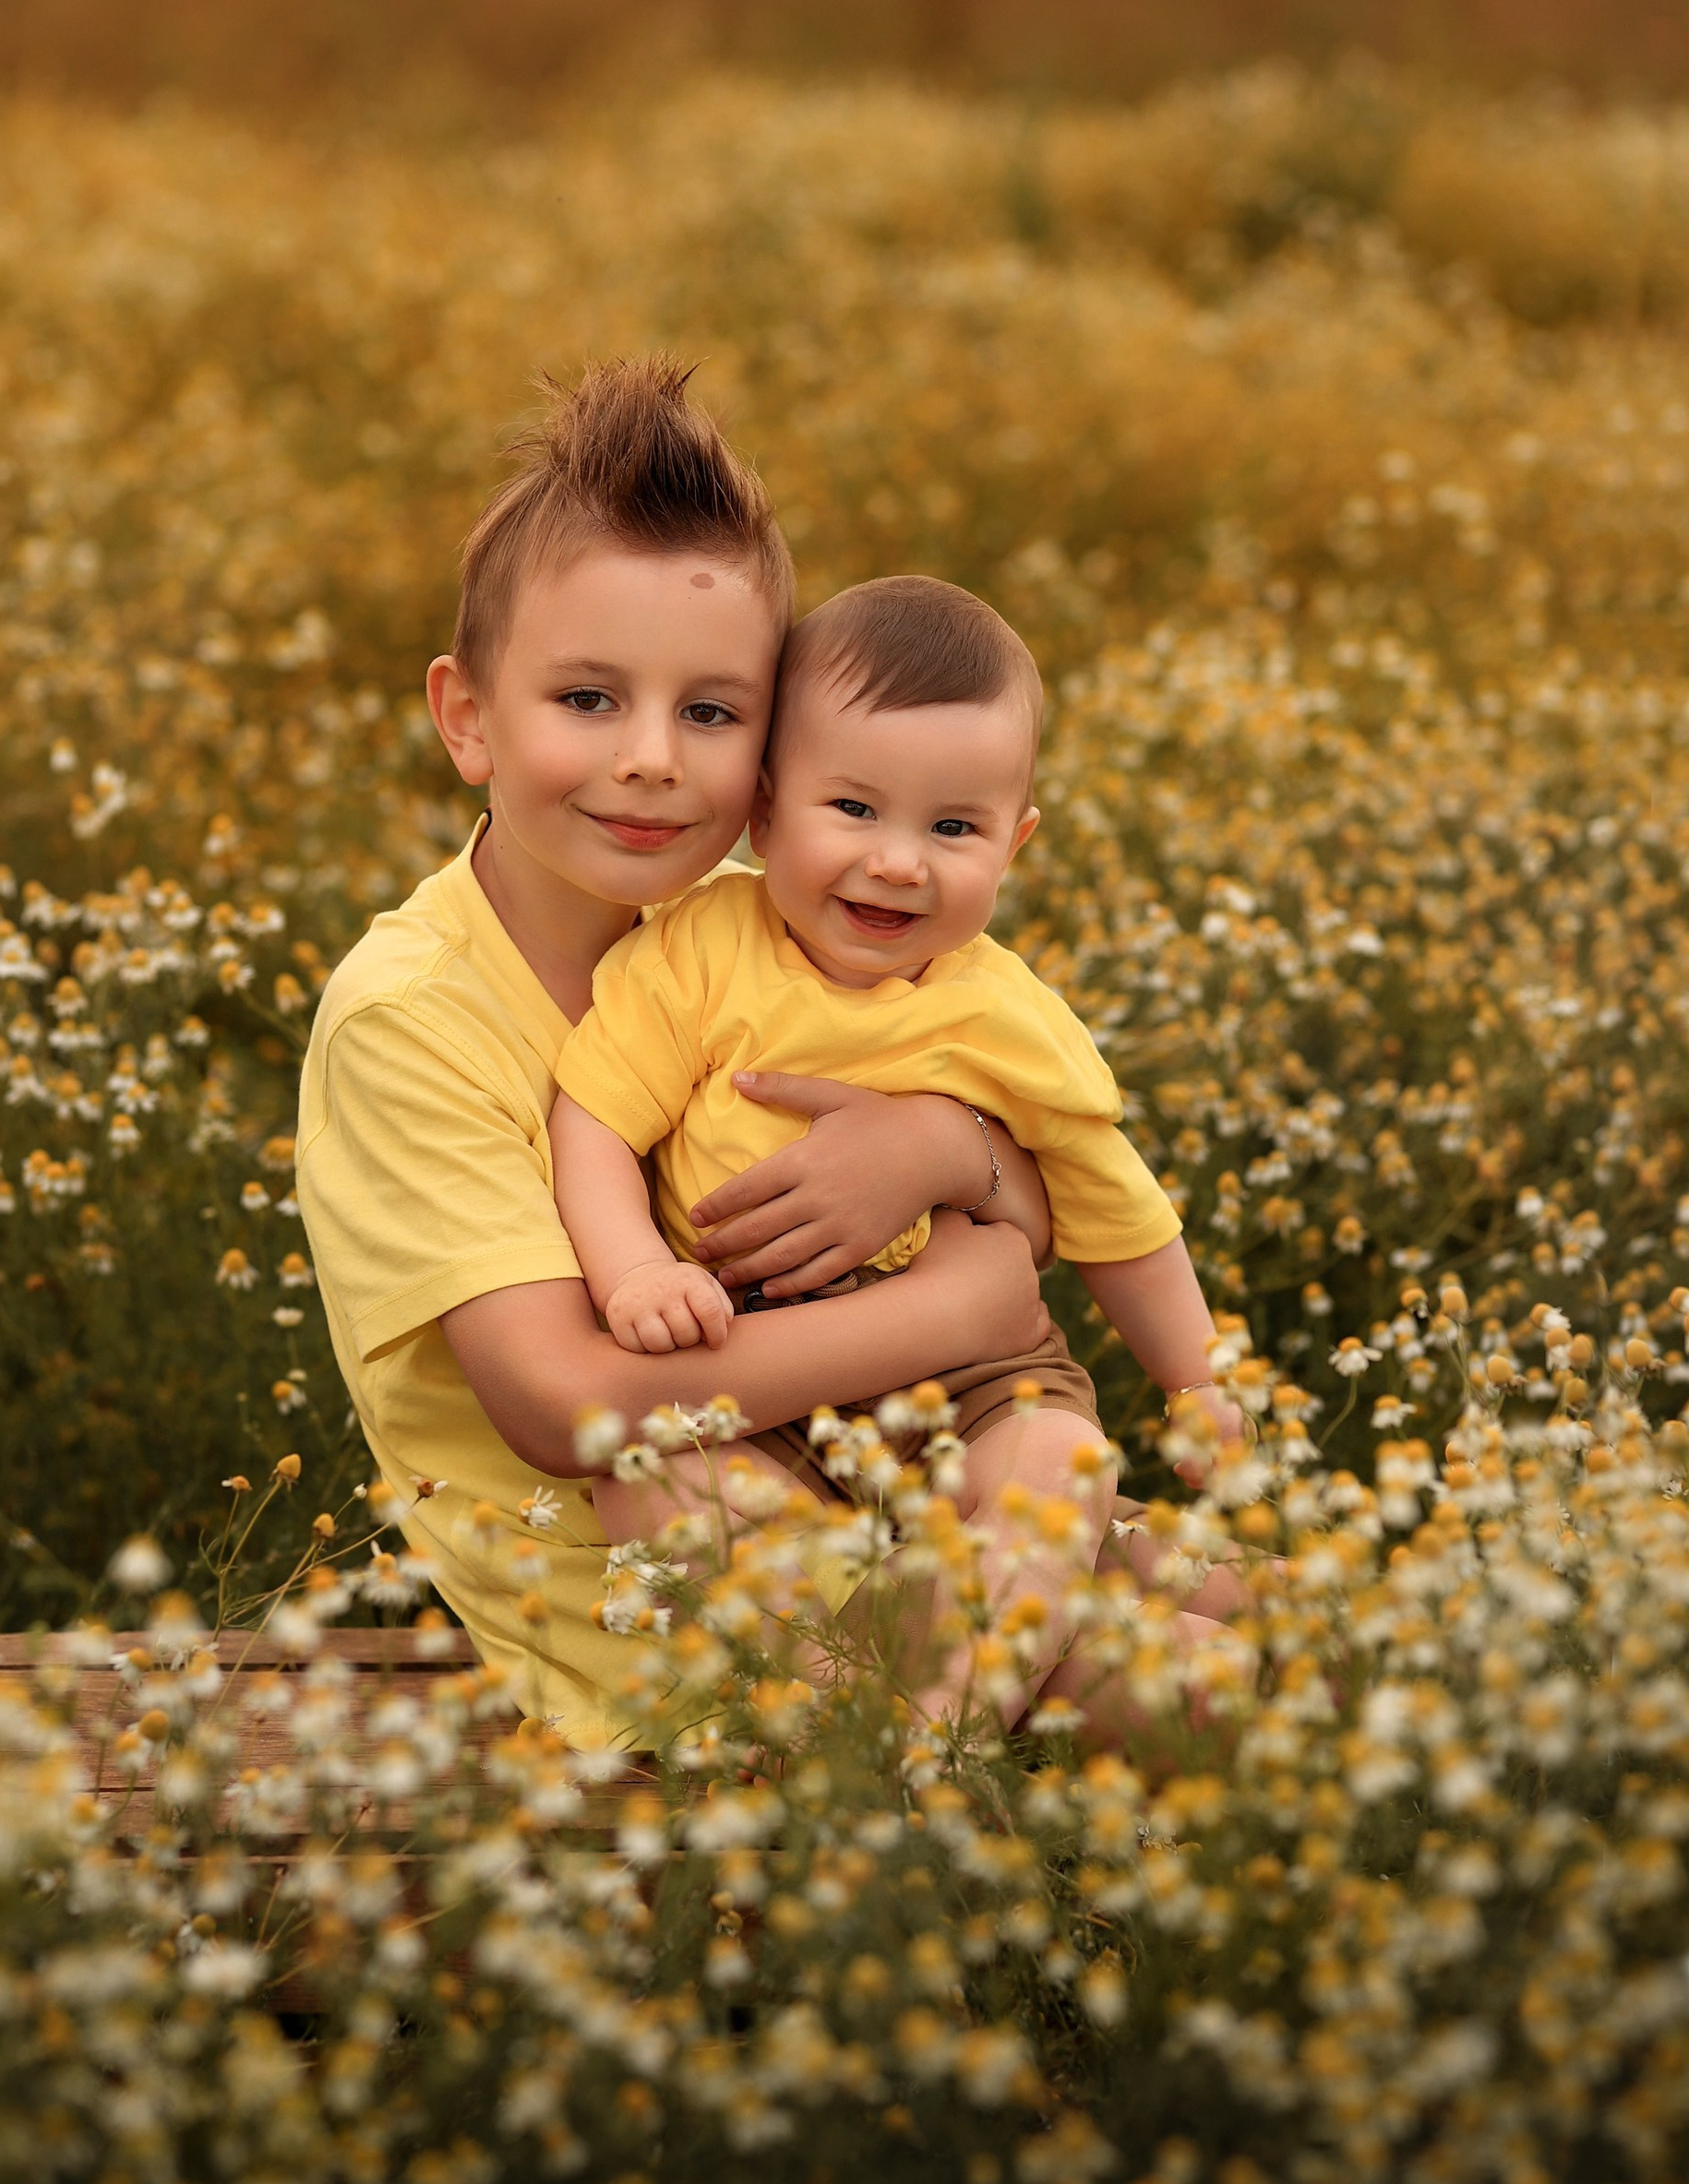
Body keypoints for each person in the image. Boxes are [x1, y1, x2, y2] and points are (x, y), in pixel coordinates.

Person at [295, 361, 1057, 1748]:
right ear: (467, 717)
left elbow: (1035, 1198)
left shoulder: (760, 935)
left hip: (885, 1482)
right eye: (588, 699)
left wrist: (950, 1150)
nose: (651, 758)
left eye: (710, 713)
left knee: (1244, 1604)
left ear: (773, 754)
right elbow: (572, 1407)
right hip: (656, 1618)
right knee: (1195, 1680)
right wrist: (963, 1309)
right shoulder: (412, 1017)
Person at [548, 575, 1247, 1728]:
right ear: (764, 811)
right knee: (651, 1486)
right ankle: (858, 1694)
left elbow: (1118, 1211)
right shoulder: (700, 953)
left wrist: (1199, 1381)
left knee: (1059, 1465)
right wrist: (635, 1271)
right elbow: (594, 1121)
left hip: (974, 1387)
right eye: (854, 809)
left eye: (954, 828)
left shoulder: (1008, 1015)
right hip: (755, 1375)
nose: (899, 863)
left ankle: (950, 1719)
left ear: (1016, 844)